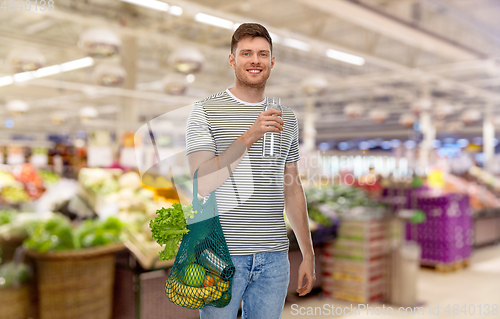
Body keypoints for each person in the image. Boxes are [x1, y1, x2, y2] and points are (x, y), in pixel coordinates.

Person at [185, 23, 315, 319]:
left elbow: (292, 188)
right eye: (246, 53)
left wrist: (308, 254)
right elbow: (202, 182)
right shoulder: (205, 110)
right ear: (232, 60)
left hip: (274, 259)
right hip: (220, 256)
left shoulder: (287, 117)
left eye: (262, 54)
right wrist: (249, 135)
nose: (255, 60)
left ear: (272, 61)